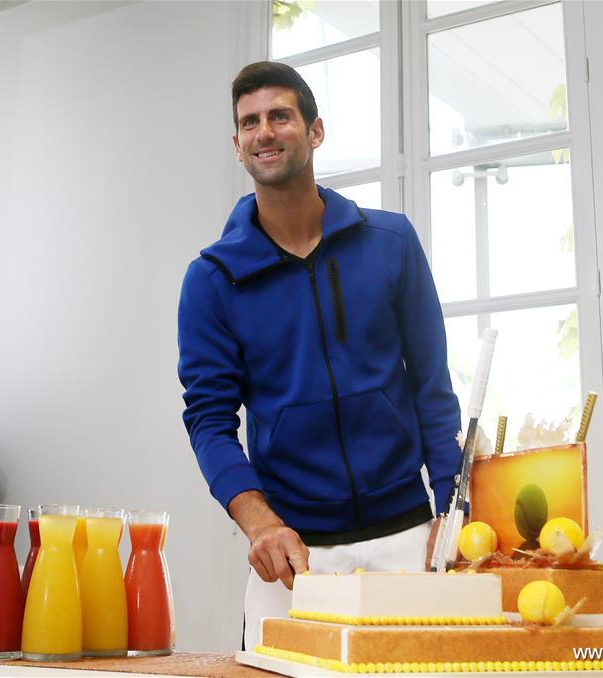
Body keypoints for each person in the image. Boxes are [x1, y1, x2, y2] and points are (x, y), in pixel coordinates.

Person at [177, 61, 463, 650]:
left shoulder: (392, 242)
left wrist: (453, 509)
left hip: (410, 537)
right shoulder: (211, 279)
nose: (265, 132)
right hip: (293, 556)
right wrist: (260, 523)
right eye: (250, 122)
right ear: (237, 146)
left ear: (314, 131)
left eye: (280, 115)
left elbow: (431, 387)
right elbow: (209, 423)